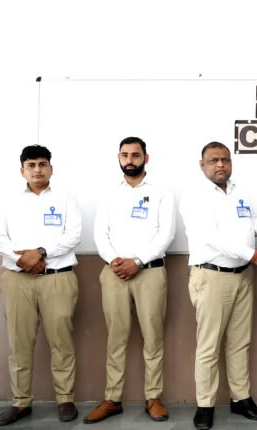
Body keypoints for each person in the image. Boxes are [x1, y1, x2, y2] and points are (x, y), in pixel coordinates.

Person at [179, 141, 257, 430]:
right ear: (202, 165)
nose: (220, 164)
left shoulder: (239, 192)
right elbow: (212, 237)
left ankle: (240, 399)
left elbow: (244, 225)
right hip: (212, 276)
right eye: (214, 160)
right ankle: (205, 405)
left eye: (225, 159)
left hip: (242, 276)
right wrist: (255, 256)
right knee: (209, 345)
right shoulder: (194, 196)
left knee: (239, 342)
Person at [84, 137, 176, 424]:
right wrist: (115, 260)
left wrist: (137, 261)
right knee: (116, 338)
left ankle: (153, 397)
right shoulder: (110, 193)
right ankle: (112, 399)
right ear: (119, 158)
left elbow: (166, 234)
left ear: (146, 158)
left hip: (150, 272)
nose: (130, 160)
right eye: (125, 155)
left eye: (136, 155)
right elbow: (100, 234)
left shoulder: (161, 192)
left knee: (153, 337)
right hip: (114, 273)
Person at [0, 145, 81, 426]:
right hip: (17, 279)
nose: (37, 169)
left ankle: (65, 399)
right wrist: (23, 260)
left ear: (51, 168)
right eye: (31, 165)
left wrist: (41, 252)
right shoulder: (8, 201)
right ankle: (21, 402)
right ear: (23, 171)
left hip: (58, 278)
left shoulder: (66, 198)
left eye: (42, 164)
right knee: (19, 342)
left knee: (61, 341)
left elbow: (73, 234)